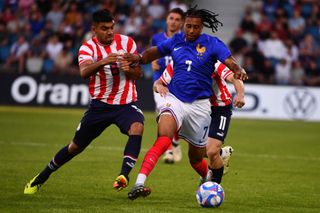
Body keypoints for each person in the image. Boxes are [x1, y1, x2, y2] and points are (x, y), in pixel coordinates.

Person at [123, 6, 248, 200]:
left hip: (202, 107)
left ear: (202, 27)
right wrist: (139, 58)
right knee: (164, 137)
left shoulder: (213, 44)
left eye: (195, 27)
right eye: (188, 26)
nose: (190, 31)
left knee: (197, 158)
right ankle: (139, 183)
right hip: (175, 100)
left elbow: (229, 61)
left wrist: (238, 69)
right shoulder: (176, 41)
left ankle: (209, 179)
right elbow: (154, 52)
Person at [24, 9, 144, 194]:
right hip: (99, 107)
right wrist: (104, 61)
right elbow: (84, 72)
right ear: (94, 29)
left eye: (112, 28)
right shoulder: (87, 48)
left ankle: (123, 176)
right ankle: (41, 177)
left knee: (137, 127)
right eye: (104, 29)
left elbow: (138, 74)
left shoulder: (127, 42)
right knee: (75, 147)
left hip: (125, 104)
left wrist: (129, 69)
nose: (110, 32)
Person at [159, 61, 245, 180]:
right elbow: (160, 82)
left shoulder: (213, 62)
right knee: (198, 151)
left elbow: (234, 78)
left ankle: (213, 189)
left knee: (211, 151)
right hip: (198, 109)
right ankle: (222, 154)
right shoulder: (181, 62)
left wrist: (240, 94)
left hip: (220, 108)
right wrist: (159, 86)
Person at [151, 7, 185, 164]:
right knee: (163, 112)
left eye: (178, 19)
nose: (174, 22)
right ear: (166, 20)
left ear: (182, 22)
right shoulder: (157, 38)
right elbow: (153, 53)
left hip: (177, 83)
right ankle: (169, 151)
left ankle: (175, 143)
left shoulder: (185, 39)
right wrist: (152, 60)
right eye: (171, 18)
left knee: (177, 117)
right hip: (160, 82)